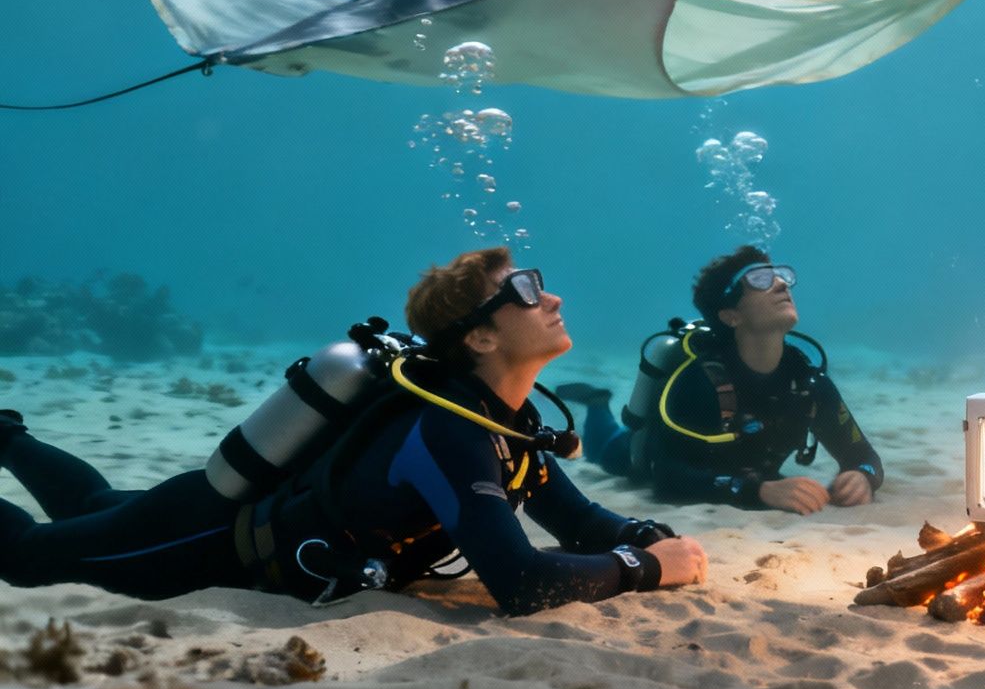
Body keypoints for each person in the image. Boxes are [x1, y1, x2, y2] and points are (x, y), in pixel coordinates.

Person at [0, 249, 708, 615]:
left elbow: (579, 521)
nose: (550, 296)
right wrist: (646, 569)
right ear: (484, 338)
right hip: (209, 543)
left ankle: (6, 437)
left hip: (218, 512)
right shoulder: (448, 432)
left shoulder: (504, 422)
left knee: (95, 510)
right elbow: (520, 583)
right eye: (522, 290)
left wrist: (646, 538)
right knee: (29, 556)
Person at [563, 245, 883, 515]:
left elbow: (865, 457)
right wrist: (758, 492)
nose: (782, 285)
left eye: (781, 276)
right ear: (731, 315)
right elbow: (667, 477)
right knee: (602, 448)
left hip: (747, 472)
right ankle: (597, 403)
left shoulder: (808, 384)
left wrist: (862, 476)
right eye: (759, 280)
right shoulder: (701, 382)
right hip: (637, 457)